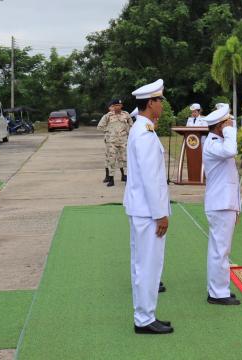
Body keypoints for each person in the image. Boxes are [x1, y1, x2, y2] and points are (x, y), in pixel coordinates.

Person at [123, 79, 173, 334]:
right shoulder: (144, 133)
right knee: (148, 265)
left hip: (141, 209)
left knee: (143, 264)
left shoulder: (142, 130)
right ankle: (144, 318)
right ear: (150, 103)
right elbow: (150, 178)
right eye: (160, 101)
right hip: (147, 211)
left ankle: (146, 314)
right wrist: (160, 214)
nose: (162, 105)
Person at [202, 103, 241, 306]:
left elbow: (232, 177)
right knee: (220, 250)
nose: (232, 124)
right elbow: (231, 150)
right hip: (219, 204)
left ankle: (219, 288)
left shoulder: (217, 141)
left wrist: (237, 206)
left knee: (221, 249)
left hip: (225, 203)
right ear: (219, 127)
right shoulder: (214, 144)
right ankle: (217, 293)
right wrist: (228, 130)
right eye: (228, 122)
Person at [97, 99, 133, 186]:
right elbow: (100, 127)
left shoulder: (126, 114)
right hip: (112, 142)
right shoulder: (108, 116)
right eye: (115, 105)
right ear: (113, 106)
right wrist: (109, 131)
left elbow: (131, 125)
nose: (117, 107)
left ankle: (125, 176)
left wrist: (128, 132)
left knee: (124, 159)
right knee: (111, 160)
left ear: (121, 106)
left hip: (123, 141)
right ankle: (111, 179)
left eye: (119, 105)